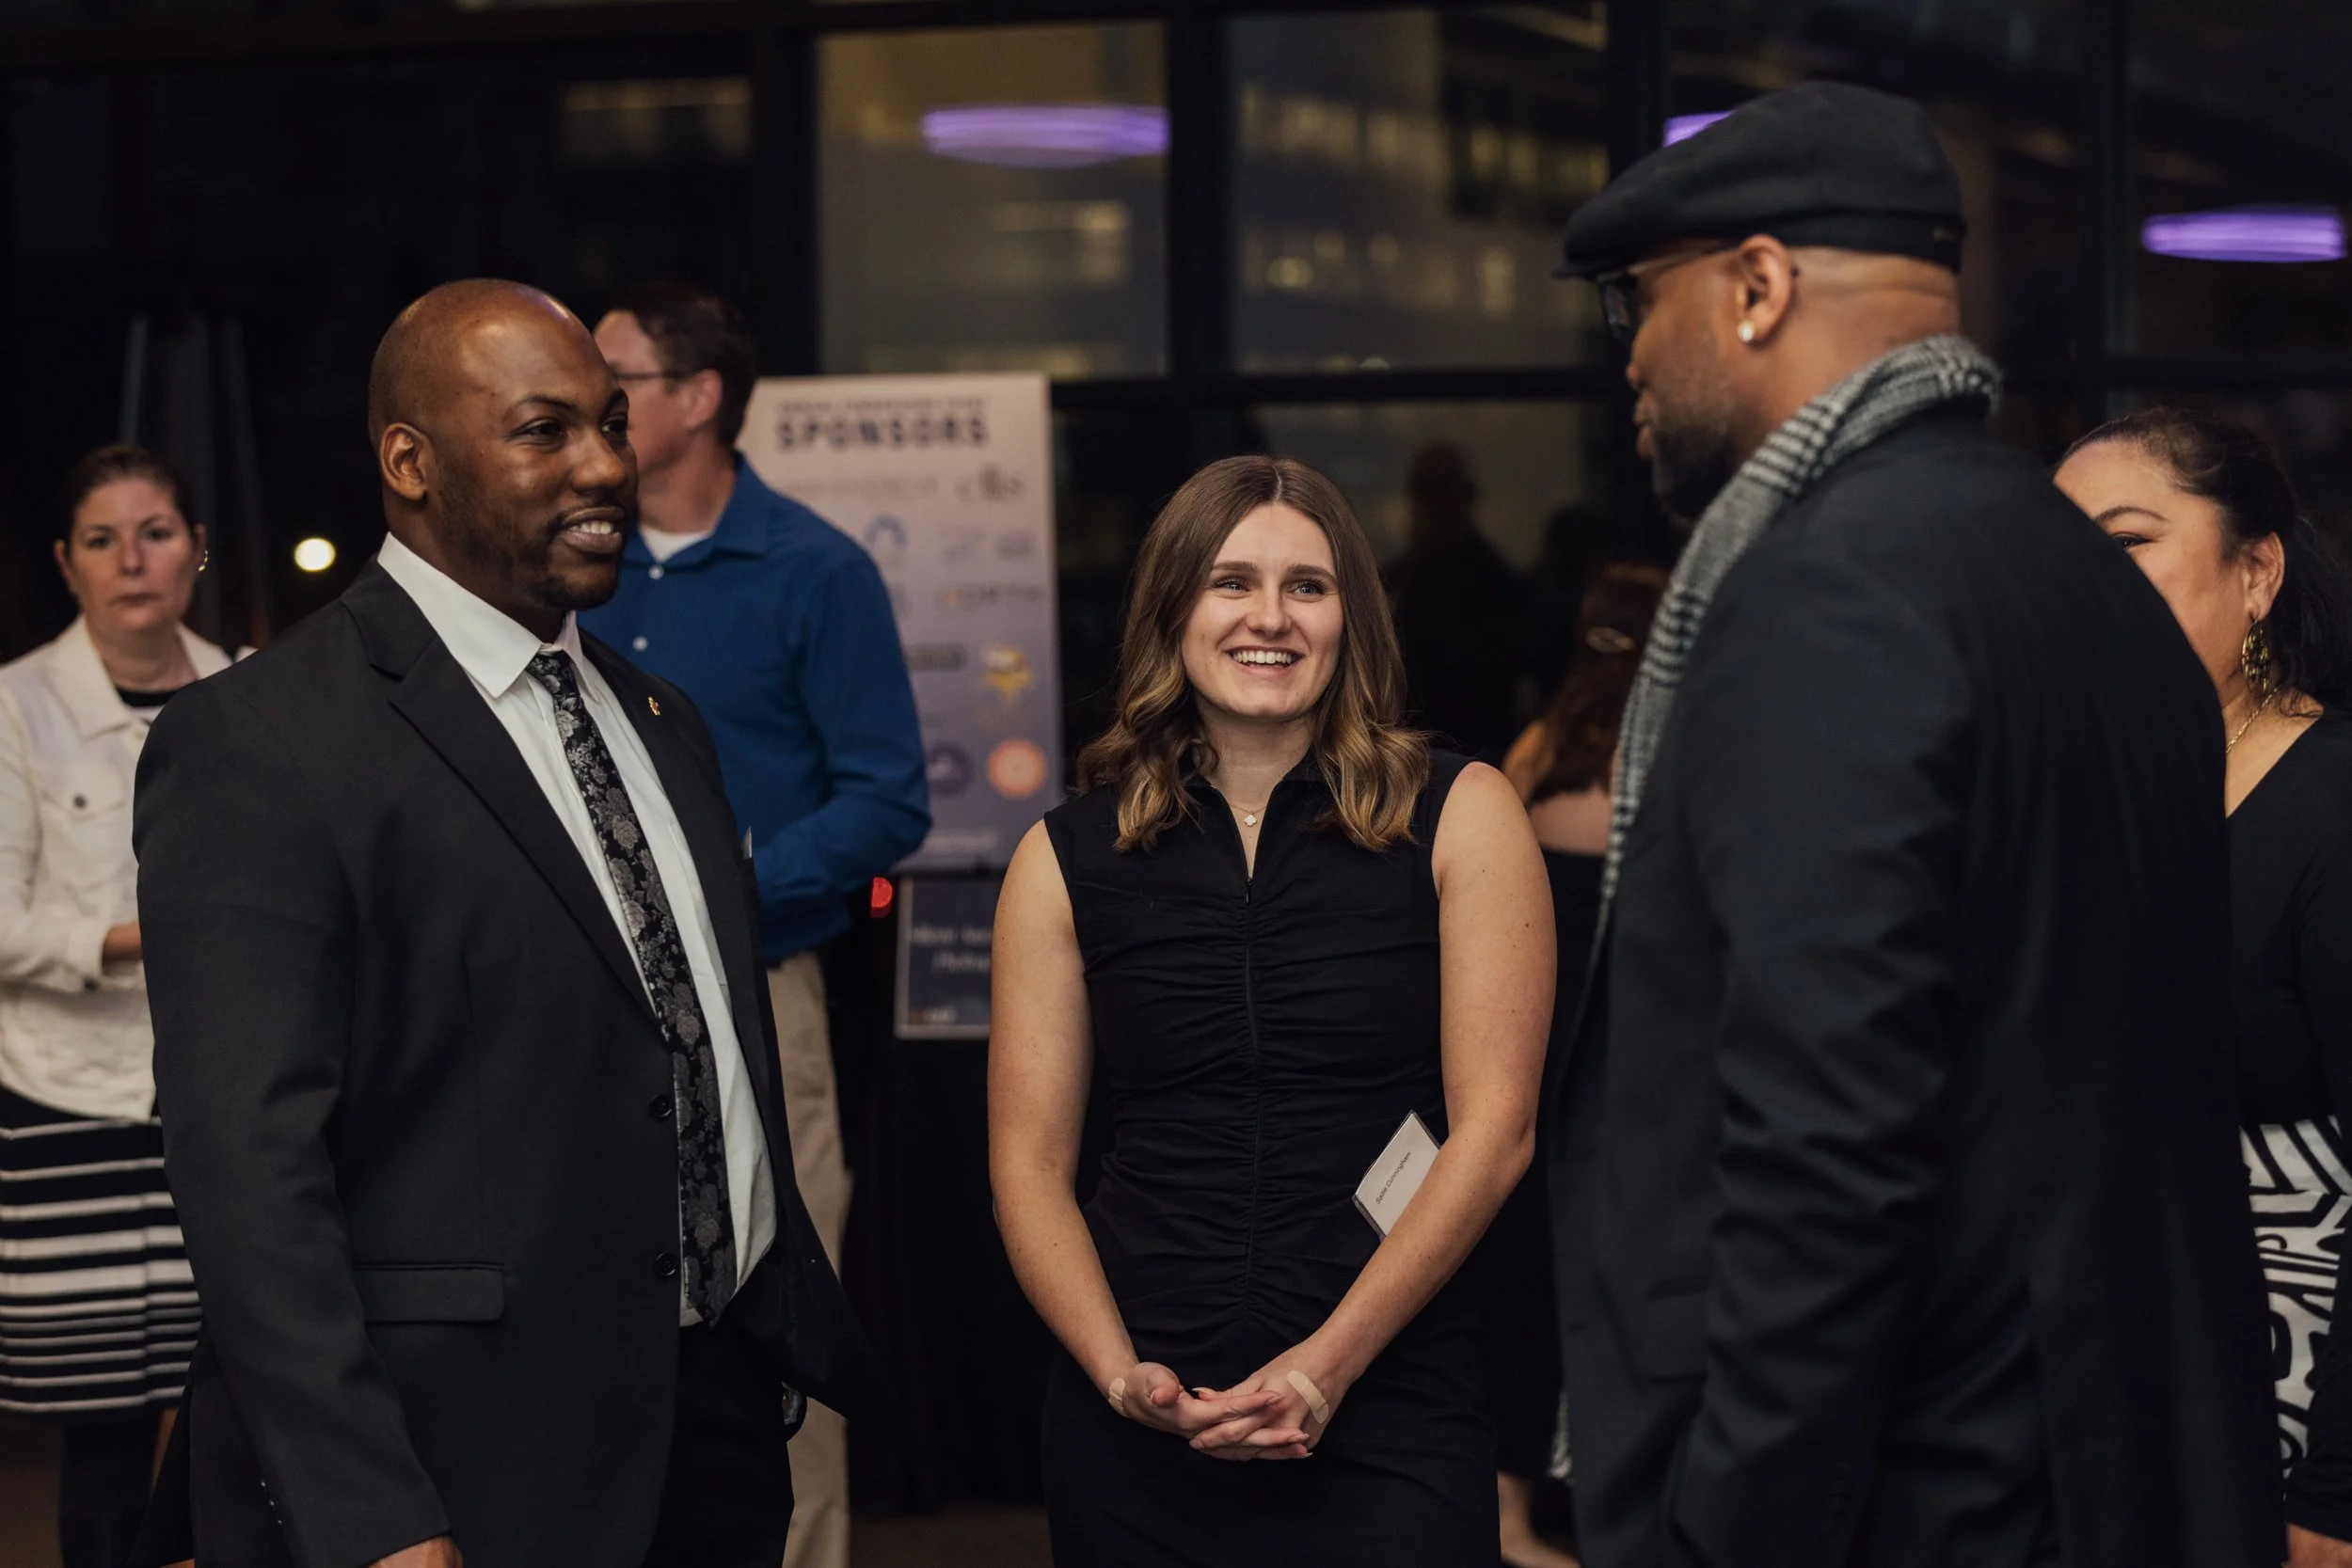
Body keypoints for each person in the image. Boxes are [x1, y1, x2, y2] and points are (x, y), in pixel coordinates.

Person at [1542, 82, 2277, 1568]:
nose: (1627, 355)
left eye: (1642, 302)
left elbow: (1829, 1138)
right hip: (2112, 1464)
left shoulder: (1829, 593)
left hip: (1914, 1495)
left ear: (1757, 289)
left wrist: (1734, 1527)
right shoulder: (2086, 582)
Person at [132, 279, 885, 1568]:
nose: (605, 464)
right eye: (545, 431)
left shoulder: (663, 721)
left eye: (610, 421)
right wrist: (369, 1507)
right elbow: (249, 1175)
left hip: (711, 1432)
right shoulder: (259, 742)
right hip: (461, 1466)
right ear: (410, 463)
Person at [990, 455, 1553, 1565]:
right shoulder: (1065, 857)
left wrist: (1321, 1369)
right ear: (1171, 610)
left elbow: (1496, 1134)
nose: (1270, 617)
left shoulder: (1461, 814)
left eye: (1308, 585)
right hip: (1144, 1416)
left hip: (1387, 1393)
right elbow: (1026, 1162)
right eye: (1230, 581)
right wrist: (1117, 1372)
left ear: (1352, 615)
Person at [581, 282, 929, 1568]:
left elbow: (888, 796)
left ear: (699, 396)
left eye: (612, 379)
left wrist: (720, 887)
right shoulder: (572, 562)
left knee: (786, 1311)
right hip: (577, 1003)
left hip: (762, 995)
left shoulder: (817, 568)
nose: (589, 406)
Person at [2054, 408, 2352, 1568]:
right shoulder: (2069, 798)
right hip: (2095, 1387)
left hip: (2284, 1381)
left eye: (2125, 541)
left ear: (2257, 570)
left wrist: (2334, 1496)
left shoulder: (2330, 806)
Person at [0, 446, 226, 1568]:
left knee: (228, 1406)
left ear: (196, 548)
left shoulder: (246, 690)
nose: (132, 558)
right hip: (66, 1105)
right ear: (67, 563)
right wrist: (149, 936)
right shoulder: (15, 705)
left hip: (219, 1095)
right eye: (102, 538)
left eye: (155, 530)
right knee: (100, 1431)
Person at [1489, 560, 1665, 1568]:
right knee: (1625, 1285)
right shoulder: (1669, 751)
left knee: (1523, 1282)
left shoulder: (1529, 752)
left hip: (1532, 1046)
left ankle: (1508, 1518)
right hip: (1632, 1059)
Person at [1386, 442, 1531, 760]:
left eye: (1443, 490)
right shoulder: (1398, 575)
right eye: (1426, 490)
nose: (1435, 503)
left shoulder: (1493, 580)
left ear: (1467, 495)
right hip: (1409, 744)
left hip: (1476, 744)